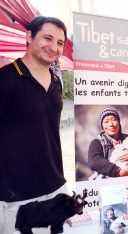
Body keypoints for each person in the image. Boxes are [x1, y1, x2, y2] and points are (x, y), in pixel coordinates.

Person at [0, 16, 68, 234]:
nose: (54, 47)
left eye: (59, 43)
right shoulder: (5, 79)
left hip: (56, 188)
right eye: (47, 38)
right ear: (29, 37)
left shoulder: (56, 82)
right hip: (19, 197)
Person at [88, 106, 128, 178]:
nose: (111, 124)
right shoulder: (97, 142)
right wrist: (117, 171)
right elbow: (94, 162)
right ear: (102, 126)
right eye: (106, 121)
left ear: (119, 122)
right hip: (110, 184)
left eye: (114, 119)